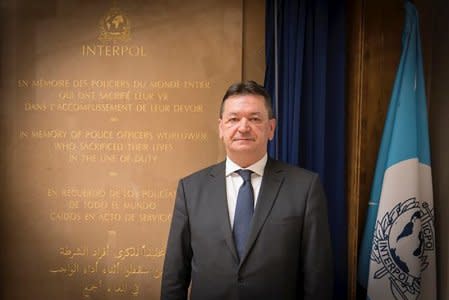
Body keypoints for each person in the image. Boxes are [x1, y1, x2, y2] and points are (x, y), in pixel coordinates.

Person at [161, 81, 333, 300]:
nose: (243, 127)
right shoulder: (191, 189)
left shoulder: (305, 187)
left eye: (254, 118)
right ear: (221, 128)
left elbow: (318, 277)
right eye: (233, 119)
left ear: (271, 128)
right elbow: (174, 276)